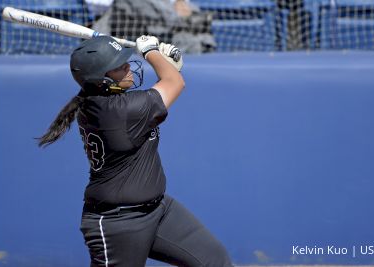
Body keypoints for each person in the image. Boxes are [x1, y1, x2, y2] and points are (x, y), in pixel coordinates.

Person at [37, 35, 233, 267]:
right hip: (118, 222)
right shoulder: (119, 112)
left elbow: (168, 82)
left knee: (215, 260)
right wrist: (151, 51)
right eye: (120, 67)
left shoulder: (105, 102)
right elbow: (174, 83)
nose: (128, 67)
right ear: (103, 81)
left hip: (158, 211)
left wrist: (167, 67)